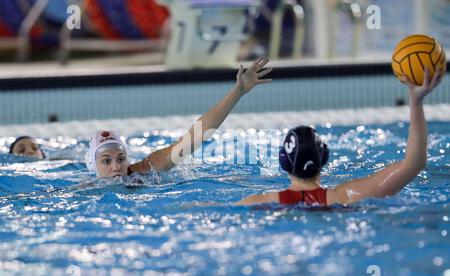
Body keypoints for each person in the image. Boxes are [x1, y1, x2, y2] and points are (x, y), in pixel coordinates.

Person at [236, 67, 445, 206]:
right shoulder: (345, 196)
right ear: (324, 157)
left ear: (284, 161)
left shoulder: (261, 202)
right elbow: (413, 164)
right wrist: (416, 101)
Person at [85, 57, 273, 178]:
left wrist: (237, 93)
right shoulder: (86, 193)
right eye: (106, 161)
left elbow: (196, 136)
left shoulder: (147, 169)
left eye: (120, 158)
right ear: (93, 166)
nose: (116, 167)